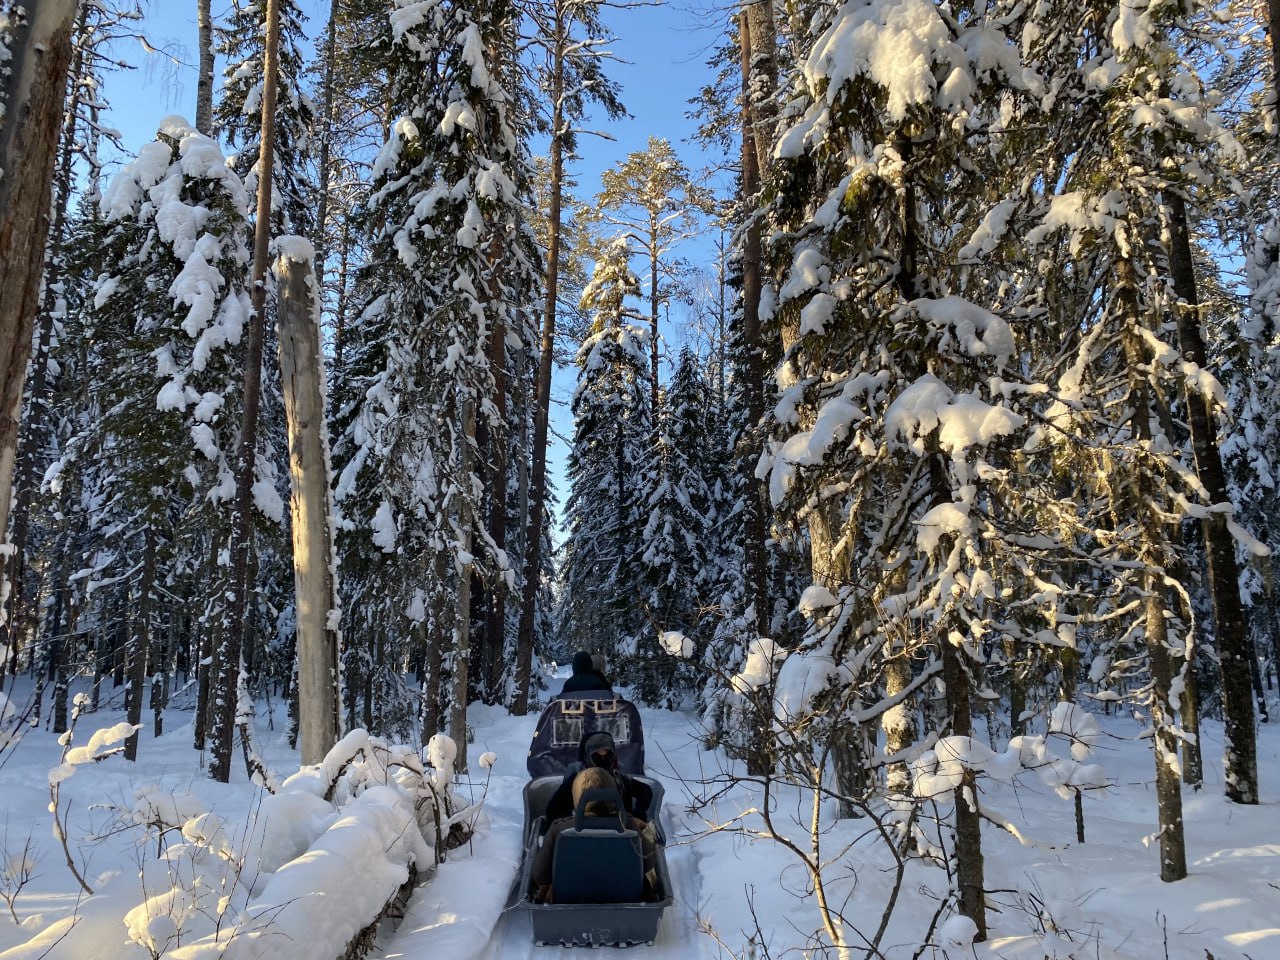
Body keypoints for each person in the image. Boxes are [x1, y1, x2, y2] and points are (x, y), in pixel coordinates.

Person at [531, 766, 657, 903]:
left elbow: (540, 876)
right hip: (626, 901)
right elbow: (649, 862)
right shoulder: (629, 826)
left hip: (568, 903)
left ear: (576, 795)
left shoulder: (560, 829)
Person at [544, 730, 654, 825]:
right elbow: (554, 810)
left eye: (606, 756)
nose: (602, 760)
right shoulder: (577, 781)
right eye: (597, 756)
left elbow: (645, 791)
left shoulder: (620, 780)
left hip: (618, 834)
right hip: (583, 833)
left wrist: (638, 815)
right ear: (588, 756)